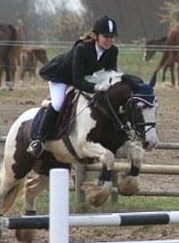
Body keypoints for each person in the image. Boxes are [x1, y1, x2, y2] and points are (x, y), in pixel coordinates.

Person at [27, 15, 119, 157]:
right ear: (96, 35)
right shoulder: (82, 48)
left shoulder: (113, 51)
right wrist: (95, 87)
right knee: (58, 103)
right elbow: (77, 81)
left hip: (83, 77)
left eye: (112, 37)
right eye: (106, 36)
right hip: (61, 76)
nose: (109, 40)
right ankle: (39, 141)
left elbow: (111, 73)